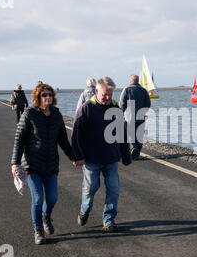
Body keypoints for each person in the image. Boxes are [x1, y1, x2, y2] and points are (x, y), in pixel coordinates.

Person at [11, 81, 73, 245]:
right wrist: (15, 163)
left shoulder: (57, 115)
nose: (48, 97)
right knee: (38, 198)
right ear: (38, 97)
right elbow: (19, 140)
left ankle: (46, 216)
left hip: (51, 165)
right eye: (44, 95)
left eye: (50, 94)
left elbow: (63, 141)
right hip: (32, 164)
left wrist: (74, 157)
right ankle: (38, 230)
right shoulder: (29, 114)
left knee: (52, 197)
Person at [72, 77, 131, 232]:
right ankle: (84, 211)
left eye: (110, 95)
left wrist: (126, 155)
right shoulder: (86, 108)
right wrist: (78, 156)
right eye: (105, 94)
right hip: (91, 159)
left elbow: (123, 133)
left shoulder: (116, 108)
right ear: (96, 91)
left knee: (114, 189)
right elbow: (76, 134)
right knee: (91, 187)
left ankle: (109, 220)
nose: (107, 98)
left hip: (111, 158)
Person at [119, 74, 151, 160]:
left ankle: (133, 147)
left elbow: (122, 103)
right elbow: (148, 104)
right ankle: (137, 153)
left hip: (129, 116)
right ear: (138, 81)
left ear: (130, 81)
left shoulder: (126, 89)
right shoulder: (144, 90)